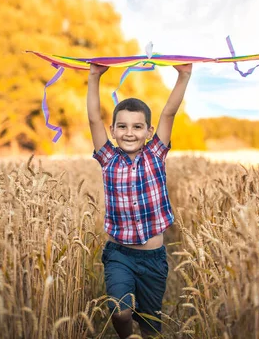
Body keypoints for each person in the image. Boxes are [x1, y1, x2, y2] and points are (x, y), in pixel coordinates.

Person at [87, 62, 192, 338]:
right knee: (120, 311)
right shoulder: (108, 158)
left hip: (153, 259)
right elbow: (94, 119)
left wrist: (184, 75)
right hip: (119, 255)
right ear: (112, 130)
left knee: (150, 326)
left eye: (137, 126)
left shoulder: (156, 154)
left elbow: (169, 111)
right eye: (122, 126)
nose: (129, 132)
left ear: (149, 131)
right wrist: (94, 76)